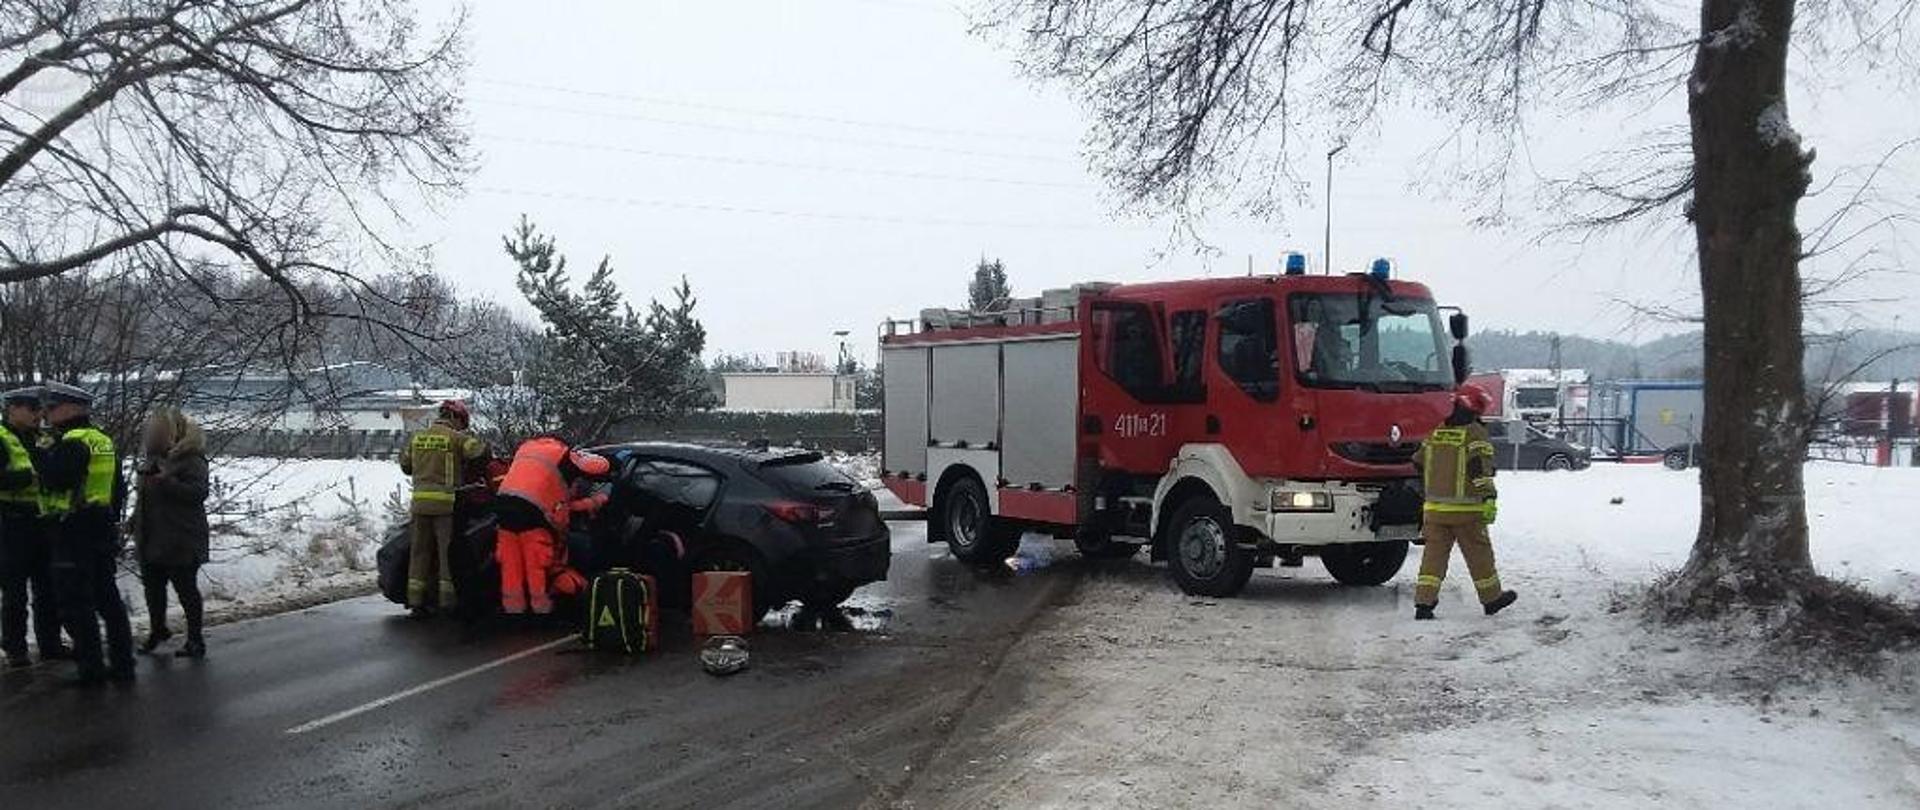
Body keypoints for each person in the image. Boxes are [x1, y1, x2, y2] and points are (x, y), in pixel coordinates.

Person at [38, 382, 134, 686]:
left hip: (73, 530)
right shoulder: (101, 440)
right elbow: (118, 489)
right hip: (100, 526)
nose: (47, 413)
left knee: (76, 603)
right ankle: (123, 663)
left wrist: (42, 455)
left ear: (71, 408)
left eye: (53, 407)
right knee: (108, 600)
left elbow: (56, 480)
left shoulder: (72, 442)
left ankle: (91, 668)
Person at [1411, 383, 1519, 621]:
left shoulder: (1437, 430)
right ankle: (1491, 599)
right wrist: (1489, 496)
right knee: (1479, 555)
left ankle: (1424, 604)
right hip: (1466, 510)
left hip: (1434, 510)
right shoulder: (1474, 433)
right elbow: (1479, 470)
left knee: (1433, 558)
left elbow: (1417, 462)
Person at [493, 435, 610, 615]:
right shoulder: (563, 455)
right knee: (537, 566)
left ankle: (513, 611)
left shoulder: (526, 448)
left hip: (504, 508)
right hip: (535, 515)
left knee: (511, 565)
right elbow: (599, 467)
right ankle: (541, 612)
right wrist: (598, 498)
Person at [132, 407, 211, 659]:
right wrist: (134, 522)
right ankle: (158, 630)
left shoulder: (191, 459)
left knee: (186, 589)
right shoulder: (152, 459)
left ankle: (195, 639)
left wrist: (167, 481)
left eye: (159, 430)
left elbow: (198, 493)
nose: (152, 435)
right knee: (153, 589)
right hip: (152, 536)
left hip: (181, 537)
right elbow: (145, 499)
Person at [398, 400, 487, 615]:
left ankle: (416, 601)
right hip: (444, 506)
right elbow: (479, 452)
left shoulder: (418, 437)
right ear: (455, 417)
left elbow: (406, 466)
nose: (461, 427)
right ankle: (447, 602)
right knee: (447, 554)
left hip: (419, 505)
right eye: (462, 423)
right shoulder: (456, 438)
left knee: (419, 553)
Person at [1, 386, 69, 668]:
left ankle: (50, 644)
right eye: (31, 409)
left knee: (48, 587)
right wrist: (27, 478)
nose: (38, 415)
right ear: (12, 409)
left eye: (40, 410)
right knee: (15, 590)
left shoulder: (41, 438)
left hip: (41, 522)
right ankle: (16, 648)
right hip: (11, 522)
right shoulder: (2, 437)